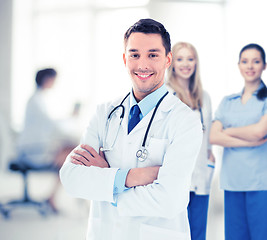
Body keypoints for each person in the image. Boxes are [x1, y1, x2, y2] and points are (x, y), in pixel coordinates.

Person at [60, 18, 203, 240]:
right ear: (125, 59)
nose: (142, 65)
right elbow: (71, 179)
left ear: (168, 60)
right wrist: (134, 177)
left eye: (153, 55)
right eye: (135, 55)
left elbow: (170, 200)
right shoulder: (103, 113)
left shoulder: (185, 121)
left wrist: (106, 181)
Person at [210, 43, 267, 240]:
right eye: (245, 61)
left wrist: (230, 131)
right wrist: (251, 141)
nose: (250, 66)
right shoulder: (228, 102)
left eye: (256, 61)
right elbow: (213, 136)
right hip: (233, 182)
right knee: (235, 236)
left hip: (260, 183)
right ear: (239, 65)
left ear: (264, 66)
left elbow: (260, 130)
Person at [166, 42, 215, 240]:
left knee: (198, 231)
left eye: (190, 58)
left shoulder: (204, 96)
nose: (186, 64)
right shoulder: (166, 94)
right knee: (175, 232)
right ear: (172, 63)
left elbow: (209, 132)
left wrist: (210, 155)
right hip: (176, 174)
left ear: (196, 63)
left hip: (201, 172)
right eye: (180, 59)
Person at [17, 68, 77, 212]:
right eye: (53, 79)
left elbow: (49, 125)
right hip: (34, 151)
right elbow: (52, 125)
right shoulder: (36, 101)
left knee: (71, 154)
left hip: (36, 147)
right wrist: (70, 117)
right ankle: (52, 197)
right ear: (46, 79)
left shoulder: (37, 99)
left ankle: (52, 196)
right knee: (72, 155)